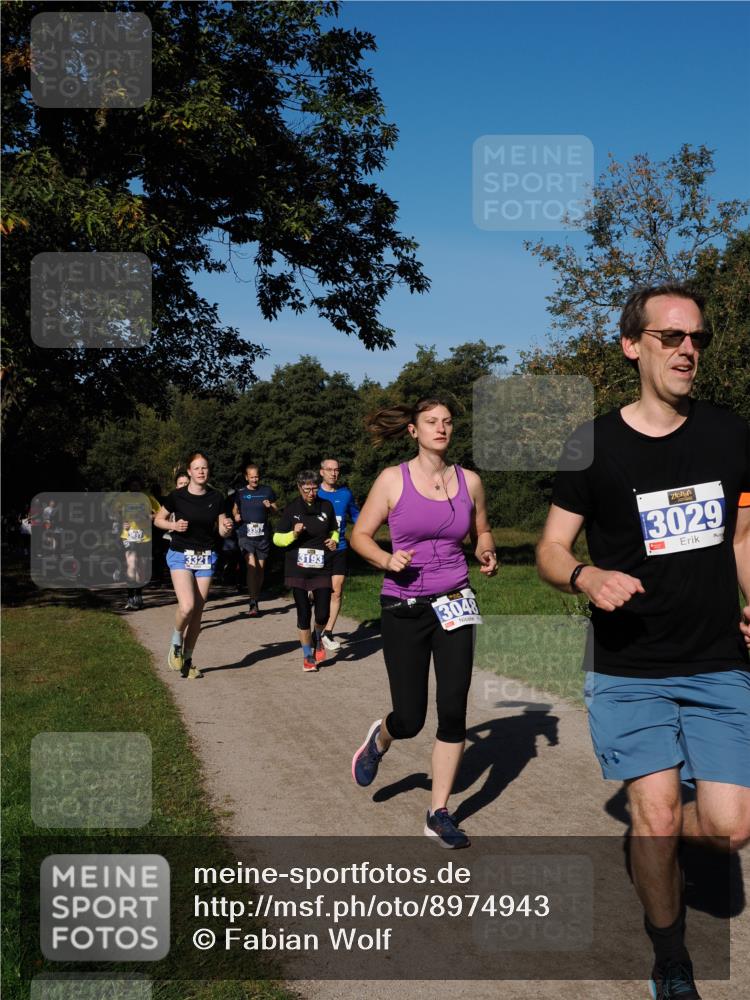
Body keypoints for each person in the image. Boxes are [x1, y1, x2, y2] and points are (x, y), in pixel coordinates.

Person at [535, 283, 750, 1000]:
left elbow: (743, 534)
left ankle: (655, 821)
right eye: (672, 337)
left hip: (720, 658)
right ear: (633, 345)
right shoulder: (592, 444)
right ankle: (672, 961)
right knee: (657, 812)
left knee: (730, 828)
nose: (689, 350)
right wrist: (587, 575)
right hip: (630, 665)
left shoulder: (731, 434)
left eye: (698, 339)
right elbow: (550, 551)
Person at [350, 398, 498, 848]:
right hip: (404, 606)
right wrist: (385, 558)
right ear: (413, 430)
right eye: (431, 422)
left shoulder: (469, 481)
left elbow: (482, 529)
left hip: (455, 601)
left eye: (447, 422)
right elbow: (359, 535)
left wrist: (485, 549)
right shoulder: (393, 479)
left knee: (453, 708)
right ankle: (382, 738)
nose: (441, 428)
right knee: (412, 716)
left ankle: (438, 813)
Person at [153, 452, 234, 679]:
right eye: (197, 468)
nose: (201, 472)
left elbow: (221, 529)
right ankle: (176, 640)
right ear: (189, 472)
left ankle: (187, 661)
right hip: (180, 554)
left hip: (206, 556)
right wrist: (173, 525)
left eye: (205, 468)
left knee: (198, 611)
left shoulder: (217, 497)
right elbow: (158, 519)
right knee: (187, 606)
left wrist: (226, 527)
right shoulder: (177, 496)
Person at [273, 470, 339, 671]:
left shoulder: (326, 506)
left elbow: (334, 530)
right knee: (303, 612)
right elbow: (277, 539)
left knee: (322, 613)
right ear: (299, 488)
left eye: (314, 488)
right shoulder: (292, 508)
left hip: (321, 566)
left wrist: (333, 540)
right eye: (307, 489)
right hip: (297, 567)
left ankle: (318, 636)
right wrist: (293, 534)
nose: (311, 492)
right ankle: (307, 656)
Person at [318, 457, 360, 650]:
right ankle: (316, 628)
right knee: (317, 594)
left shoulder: (345, 494)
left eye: (336, 470)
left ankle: (327, 632)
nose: (334, 473)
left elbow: (357, 516)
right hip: (317, 550)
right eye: (329, 469)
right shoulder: (313, 493)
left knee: (337, 590)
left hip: (340, 548)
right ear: (321, 472)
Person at [233, 463, 278, 615]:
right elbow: (235, 508)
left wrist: (270, 506)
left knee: (260, 569)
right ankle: (253, 602)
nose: (254, 479)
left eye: (256, 476)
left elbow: (275, 510)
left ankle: (255, 598)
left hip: (262, 535)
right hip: (245, 534)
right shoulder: (240, 493)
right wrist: (236, 515)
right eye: (251, 477)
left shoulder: (267, 491)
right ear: (246, 477)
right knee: (251, 564)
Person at [111, 476, 160, 610]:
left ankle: (138, 595)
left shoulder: (147, 497)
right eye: (133, 486)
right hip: (128, 536)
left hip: (144, 537)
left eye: (137, 486)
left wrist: (149, 517)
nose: (135, 488)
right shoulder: (122, 497)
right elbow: (113, 513)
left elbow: (160, 513)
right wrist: (122, 521)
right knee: (131, 565)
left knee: (142, 568)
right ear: (129, 486)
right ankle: (130, 597)